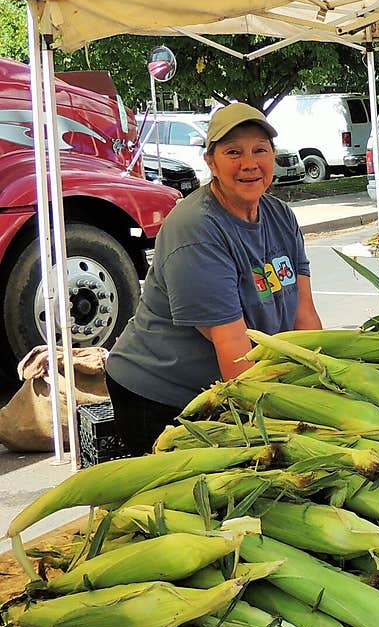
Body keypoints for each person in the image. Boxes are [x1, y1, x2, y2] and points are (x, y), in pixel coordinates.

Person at [105, 102, 322, 454]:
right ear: (211, 161)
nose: (249, 163)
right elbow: (233, 348)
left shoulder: (280, 216)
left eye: (259, 150)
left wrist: (324, 381)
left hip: (227, 382)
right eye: (233, 152)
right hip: (164, 391)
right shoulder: (196, 228)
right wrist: (285, 424)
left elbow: (305, 316)